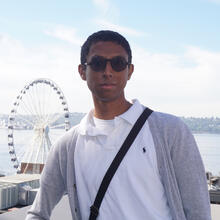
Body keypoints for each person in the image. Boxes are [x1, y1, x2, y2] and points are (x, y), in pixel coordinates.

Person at [26, 30, 211, 220]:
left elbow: (198, 212)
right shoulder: (67, 146)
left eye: (118, 63)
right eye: (98, 63)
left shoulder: (170, 132)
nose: (108, 72)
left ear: (129, 71)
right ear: (82, 71)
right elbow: (37, 213)